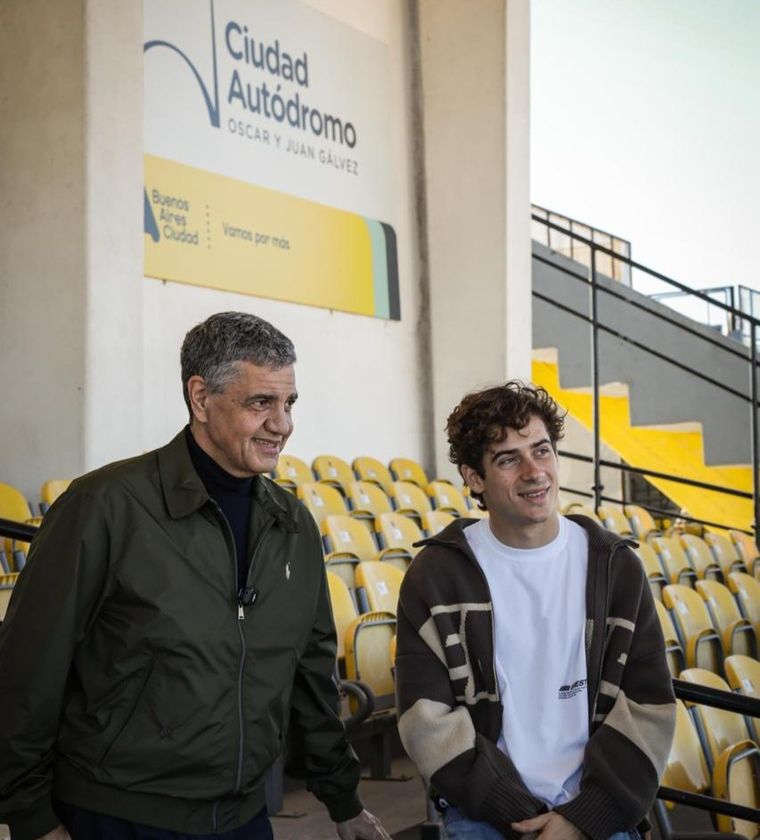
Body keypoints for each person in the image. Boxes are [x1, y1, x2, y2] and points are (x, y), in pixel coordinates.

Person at [0, 312, 391, 840]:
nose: (283, 424)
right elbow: (28, 670)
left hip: (244, 817)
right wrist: (31, 818)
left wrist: (342, 799)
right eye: (261, 403)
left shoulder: (292, 523)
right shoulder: (103, 507)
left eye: (288, 403)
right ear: (201, 397)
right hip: (118, 817)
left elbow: (311, 675)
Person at [395, 381, 675, 840]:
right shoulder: (437, 576)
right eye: (508, 459)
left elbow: (647, 706)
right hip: (486, 811)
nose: (533, 471)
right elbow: (426, 719)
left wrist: (582, 819)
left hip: (596, 807)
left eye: (541, 451)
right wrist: (513, 811)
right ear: (473, 478)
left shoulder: (614, 567)